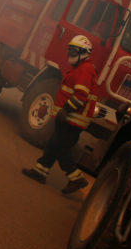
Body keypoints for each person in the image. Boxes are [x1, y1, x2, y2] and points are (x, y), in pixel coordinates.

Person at [22, 34, 97, 195]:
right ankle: (40, 172)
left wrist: (66, 110)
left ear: (84, 53)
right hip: (68, 119)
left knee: (62, 149)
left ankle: (76, 178)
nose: (70, 54)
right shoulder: (80, 68)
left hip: (72, 120)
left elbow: (80, 96)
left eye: (74, 51)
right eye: (70, 50)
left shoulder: (85, 70)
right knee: (53, 144)